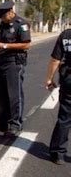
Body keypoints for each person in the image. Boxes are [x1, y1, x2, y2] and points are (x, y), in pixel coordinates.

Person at [0, 1, 31, 137]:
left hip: (14, 62)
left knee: (14, 94)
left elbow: (26, 45)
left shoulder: (21, 24)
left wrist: (4, 46)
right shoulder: (3, 24)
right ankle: (1, 122)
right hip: (1, 62)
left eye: (3, 16)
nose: (1, 19)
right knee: (1, 94)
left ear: (10, 12)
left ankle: (15, 123)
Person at [44, 28, 71, 165]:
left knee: (65, 118)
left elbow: (55, 60)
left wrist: (49, 79)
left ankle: (58, 154)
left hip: (69, 81)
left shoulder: (66, 35)